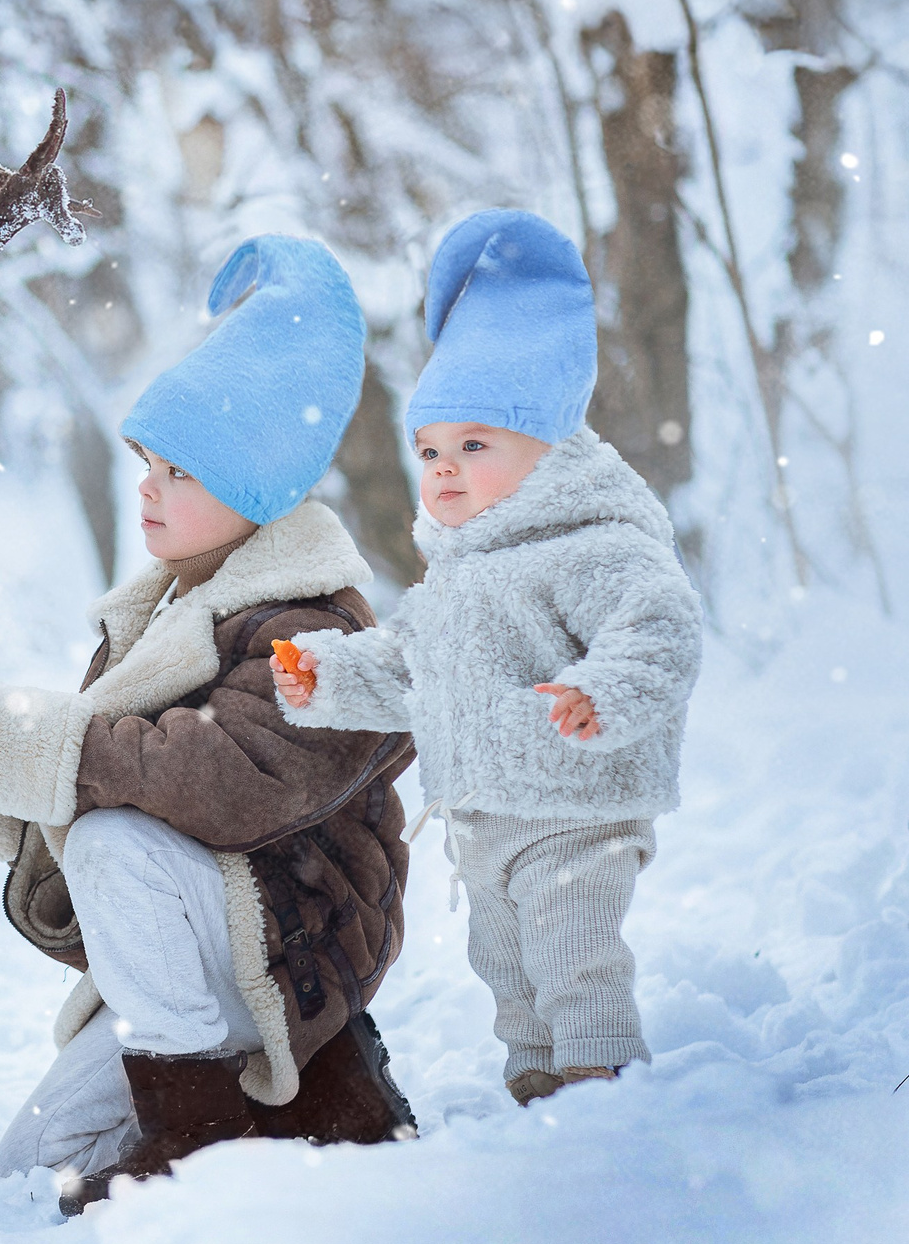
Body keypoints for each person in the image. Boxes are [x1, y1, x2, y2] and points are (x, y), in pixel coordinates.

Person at [0, 236, 415, 1214]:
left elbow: (222, 779)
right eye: (146, 460)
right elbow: (113, 821)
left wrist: (30, 743)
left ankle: (201, 1140)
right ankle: (315, 1110)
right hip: (205, 945)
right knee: (35, 1167)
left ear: (254, 489)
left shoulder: (316, 628)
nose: (145, 486)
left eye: (178, 470)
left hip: (288, 944)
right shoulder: (158, 621)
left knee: (111, 836)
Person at [274, 209, 700, 1106]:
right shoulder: (462, 569)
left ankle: (604, 1084)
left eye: (476, 445)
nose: (444, 471)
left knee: (575, 953)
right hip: (486, 812)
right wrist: (329, 675)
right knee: (504, 961)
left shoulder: (592, 541)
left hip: (580, 802)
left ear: (549, 448)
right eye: (429, 450)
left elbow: (659, 629)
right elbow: (413, 672)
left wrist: (601, 692)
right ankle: (537, 1081)